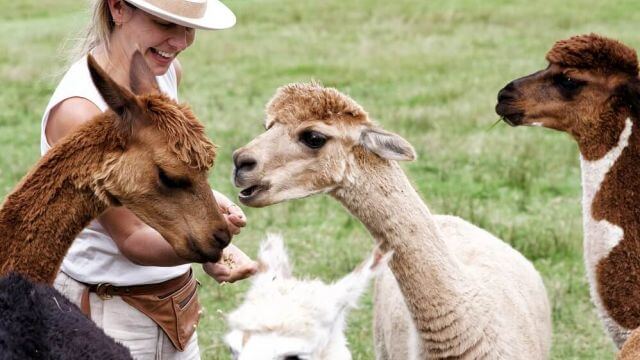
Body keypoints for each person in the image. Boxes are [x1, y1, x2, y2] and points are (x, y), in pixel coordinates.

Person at [41, 1, 257, 358]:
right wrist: (208, 241)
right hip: (109, 317)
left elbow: (157, 183)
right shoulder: (81, 112)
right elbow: (133, 238)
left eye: (189, 27)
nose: (181, 40)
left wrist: (205, 204)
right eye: (164, 23)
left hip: (177, 311)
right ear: (117, 8)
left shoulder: (164, 74)